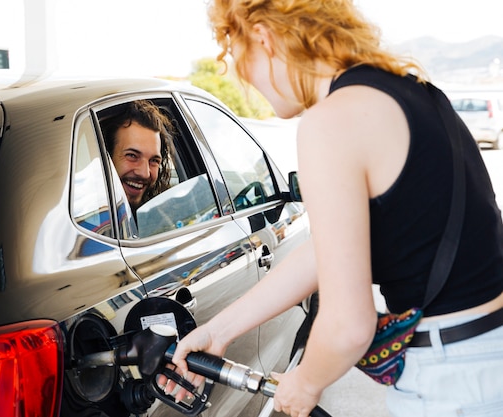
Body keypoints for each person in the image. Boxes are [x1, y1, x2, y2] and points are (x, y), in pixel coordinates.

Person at [170, 1, 503, 416]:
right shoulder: (412, 95)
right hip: (485, 357)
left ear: (261, 35)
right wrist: (219, 332)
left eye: (237, 60)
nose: (245, 81)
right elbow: (328, 251)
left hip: (452, 382)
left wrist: (305, 383)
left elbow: (348, 326)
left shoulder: (332, 121)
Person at [102, 100, 175, 213]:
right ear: (106, 156)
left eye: (154, 161)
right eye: (132, 156)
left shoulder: (161, 217)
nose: (144, 173)